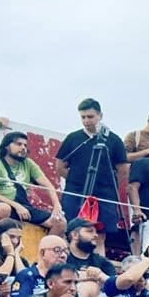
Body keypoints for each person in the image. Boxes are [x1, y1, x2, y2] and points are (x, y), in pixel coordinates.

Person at [54, 100, 131, 254]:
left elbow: (123, 169)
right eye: (83, 117)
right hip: (76, 191)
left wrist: (109, 183)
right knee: (71, 229)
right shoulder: (73, 138)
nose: (86, 121)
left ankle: (98, 267)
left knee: (99, 234)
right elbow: (60, 165)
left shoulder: (113, 140)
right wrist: (76, 180)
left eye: (90, 117)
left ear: (100, 116)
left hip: (105, 193)